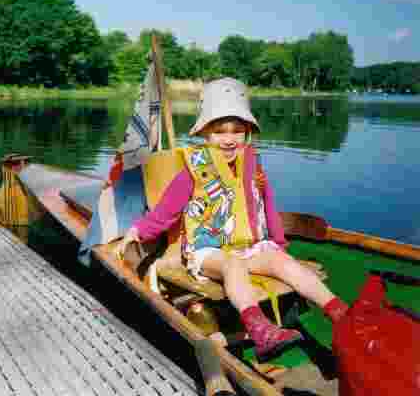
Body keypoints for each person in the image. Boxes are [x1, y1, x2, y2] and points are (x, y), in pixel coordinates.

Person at [114, 78, 349, 361]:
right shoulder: (192, 171)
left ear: (248, 132)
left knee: (281, 261)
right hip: (209, 252)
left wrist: (277, 243)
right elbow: (166, 212)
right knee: (233, 263)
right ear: (205, 134)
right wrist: (137, 231)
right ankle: (261, 330)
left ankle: (341, 314)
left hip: (250, 246)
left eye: (237, 131)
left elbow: (267, 208)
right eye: (219, 131)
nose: (229, 139)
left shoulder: (253, 166)